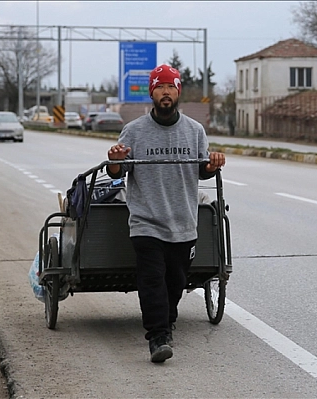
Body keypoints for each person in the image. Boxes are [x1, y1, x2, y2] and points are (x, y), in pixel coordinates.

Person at [106, 64, 226, 363]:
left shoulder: (194, 131)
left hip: (184, 221)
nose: (165, 92)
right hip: (146, 221)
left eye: (171, 87)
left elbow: (202, 172)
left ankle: (167, 320)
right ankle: (158, 337)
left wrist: (211, 166)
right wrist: (115, 161)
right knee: (151, 279)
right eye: (160, 87)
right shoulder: (134, 131)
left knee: (175, 280)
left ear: (178, 92)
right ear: (151, 92)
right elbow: (117, 174)